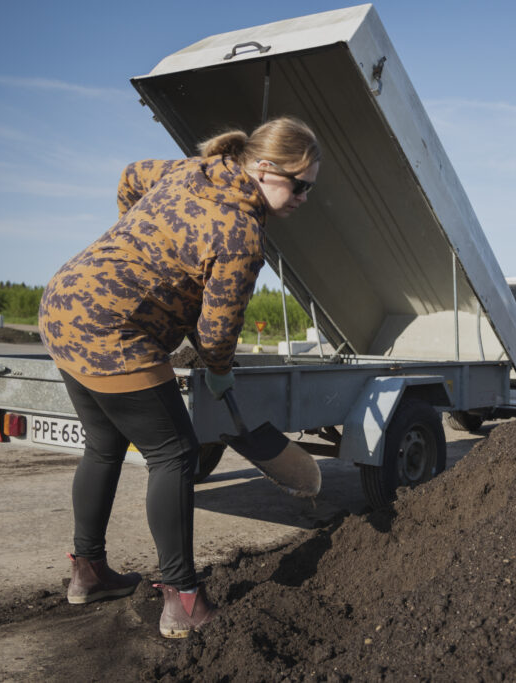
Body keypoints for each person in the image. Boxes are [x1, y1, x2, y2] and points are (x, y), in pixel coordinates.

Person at [38, 115, 321, 638]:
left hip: (63, 304)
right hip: (113, 333)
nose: (305, 197)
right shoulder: (242, 235)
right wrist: (218, 370)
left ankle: (89, 572)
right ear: (263, 169)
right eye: (299, 184)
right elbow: (216, 331)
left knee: (103, 443)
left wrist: (140, 238)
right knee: (175, 454)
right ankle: (184, 598)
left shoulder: (194, 170)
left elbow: (129, 175)